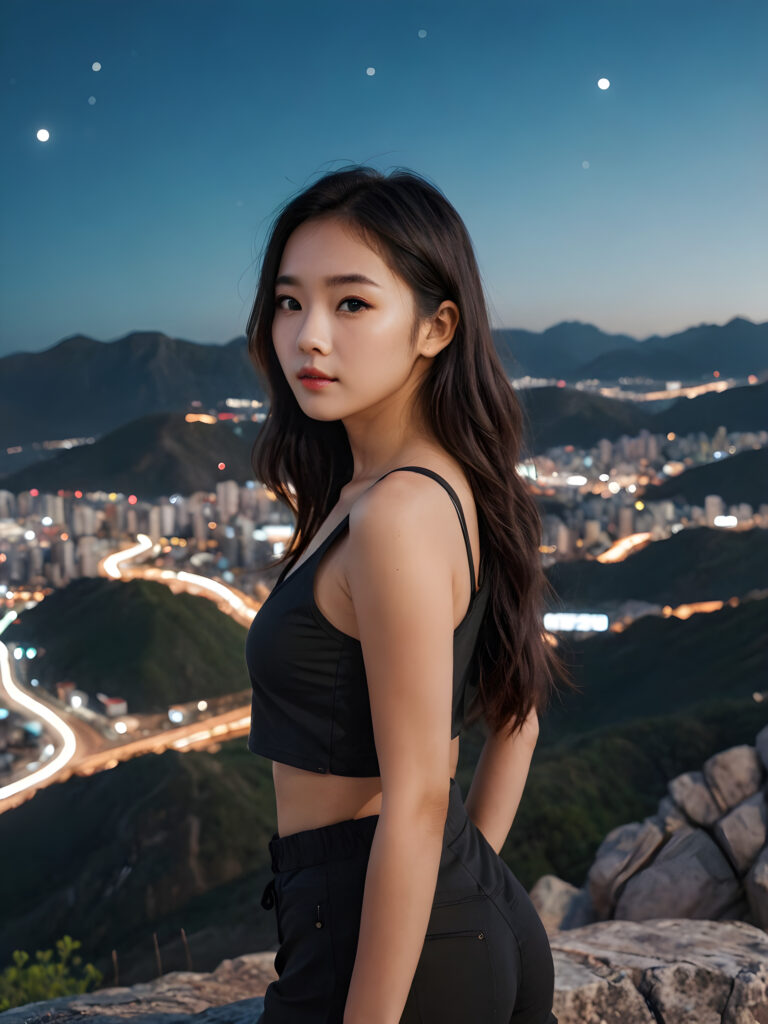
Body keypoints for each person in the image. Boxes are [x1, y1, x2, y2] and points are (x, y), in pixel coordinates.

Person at [244, 164, 575, 1024]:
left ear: (435, 327)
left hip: (374, 950)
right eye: (290, 302)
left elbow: (423, 793)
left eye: (352, 303)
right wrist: (467, 896)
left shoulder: (394, 512)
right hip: (446, 921)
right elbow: (518, 716)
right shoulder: (447, 484)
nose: (309, 335)